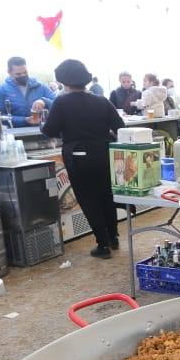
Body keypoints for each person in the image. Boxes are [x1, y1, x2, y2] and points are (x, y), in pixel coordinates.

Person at [41, 59, 122, 258]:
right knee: (107, 196)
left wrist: (42, 123)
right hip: (104, 154)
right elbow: (120, 126)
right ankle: (113, 237)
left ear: (64, 81)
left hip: (79, 158)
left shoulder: (61, 102)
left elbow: (49, 130)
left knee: (89, 199)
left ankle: (102, 245)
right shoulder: (102, 100)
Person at [0, 56, 55, 127]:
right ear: (9, 72)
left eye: (25, 72)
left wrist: (44, 101)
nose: (23, 75)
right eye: (18, 74)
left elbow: (58, 104)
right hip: (16, 133)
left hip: (42, 131)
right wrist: (24, 120)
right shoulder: (1, 90)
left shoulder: (40, 86)